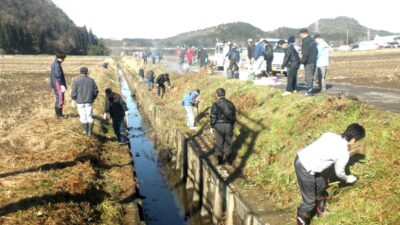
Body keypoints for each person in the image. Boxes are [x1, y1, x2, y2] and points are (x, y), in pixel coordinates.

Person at [294, 123, 366, 225]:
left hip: (300, 157)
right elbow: (339, 173)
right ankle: (301, 222)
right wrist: (347, 178)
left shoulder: (329, 135)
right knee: (309, 202)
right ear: (354, 139)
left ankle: (321, 212)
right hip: (305, 168)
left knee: (321, 186)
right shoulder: (343, 153)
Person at [210, 88, 236, 165]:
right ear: (224, 94)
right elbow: (234, 116)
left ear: (217, 94)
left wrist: (212, 126)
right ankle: (229, 161)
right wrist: (232, 124)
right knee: (228, 143)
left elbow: (213, 116)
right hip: (229, 125)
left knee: (219, 142)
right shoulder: (231, 103)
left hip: (218, 125)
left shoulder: (215, 104)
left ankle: (220, 161)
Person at [71, 67, 99, 136]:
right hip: (89, 101)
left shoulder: (76, 81)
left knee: (83, 117)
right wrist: (93, 98)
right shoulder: (91, 81)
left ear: (80, 72)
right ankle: (89, 133)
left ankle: (85, 131)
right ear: (87, 72)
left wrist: (73, 99)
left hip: (80, 102)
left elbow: (73, 92)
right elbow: (96, 91)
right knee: (89, 116)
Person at [299, 28, 318, 96]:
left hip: (308, 61)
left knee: (308, 77)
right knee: (311, 76)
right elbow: (316, 51)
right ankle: (309, 91)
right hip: (313, 61)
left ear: (303, 33)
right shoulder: (312, 40)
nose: (300, 35)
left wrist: (302, 63)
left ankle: (309, 92)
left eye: (300, 34)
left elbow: (305, 53)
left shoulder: (306, 41)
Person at [50, 53, 67, 119]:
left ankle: (58, 114)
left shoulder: (55, 63)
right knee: (60, 99)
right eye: (64, 58)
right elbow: (58, 75)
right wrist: (62, 85)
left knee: (58, 99)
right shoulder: (57, 64)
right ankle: (59, 115)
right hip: (58, 84)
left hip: (55, 83)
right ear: (62, 58)